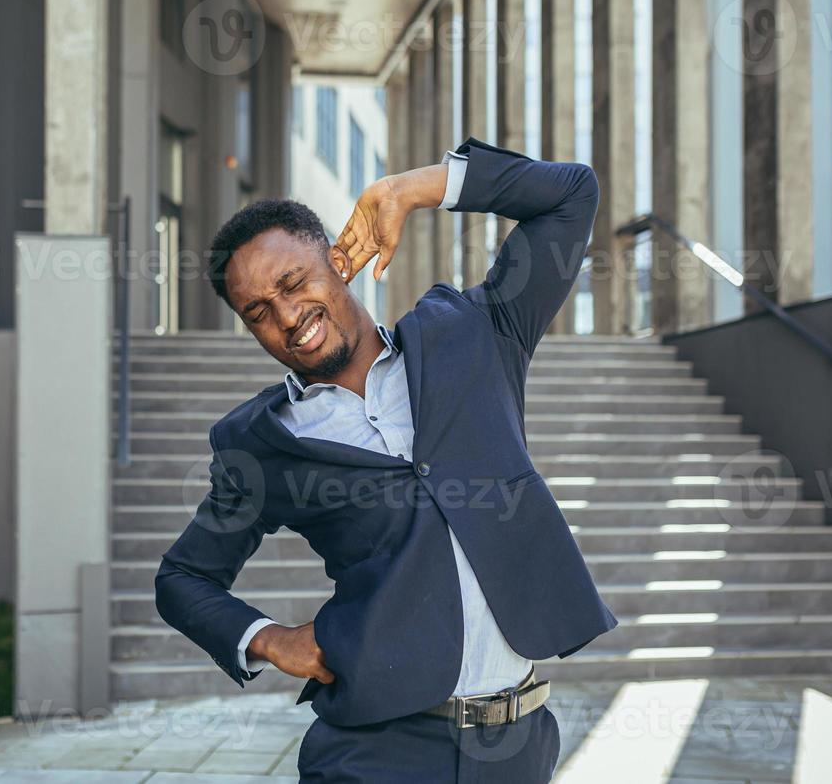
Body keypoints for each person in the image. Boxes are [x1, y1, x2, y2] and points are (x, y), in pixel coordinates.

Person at [155, 137, 616, 782]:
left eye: (294, 282)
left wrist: (412, 189)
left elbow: (571, 194)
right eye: (259, 312)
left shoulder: (475, 334)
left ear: (338, 261)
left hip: (519, 744)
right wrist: (268, 639)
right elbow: (182, 579)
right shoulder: (261, 443)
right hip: (375, 752)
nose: (288, 317)